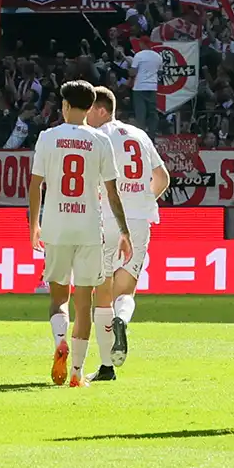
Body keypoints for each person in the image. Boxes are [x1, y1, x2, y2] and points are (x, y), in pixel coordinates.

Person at [27, 80, 132, 388]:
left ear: (65, 106)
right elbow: (112, 191)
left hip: (57, 228)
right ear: (89, 108)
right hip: (89, 228)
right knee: (84, 303)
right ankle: (76, 372)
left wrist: (34, 225)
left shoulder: (48, 137)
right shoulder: (100, 141)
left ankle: (60, 341)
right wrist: (124, 230)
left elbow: (36, 185)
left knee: (59, 299)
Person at [84, 85, 169, 381]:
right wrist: (143, 201)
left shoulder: (97, 136)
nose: (85, 115)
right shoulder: (140, 135)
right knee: (126, 290)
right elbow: (162, 177)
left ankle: (107, 366)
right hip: (140, 219)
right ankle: (123, 320)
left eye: (89, 109)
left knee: (102, 293)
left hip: (106, 217)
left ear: (103, 110)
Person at [129, 47, 162, 138]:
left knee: (140, 113)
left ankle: (141, 137)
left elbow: (132, 73)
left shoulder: (138, 55)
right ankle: (152, 135)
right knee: (153, 112)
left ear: (141, 44)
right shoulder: (158, 57)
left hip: (139, 87)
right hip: (152, 87)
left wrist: (129, 69)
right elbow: (160, 72)